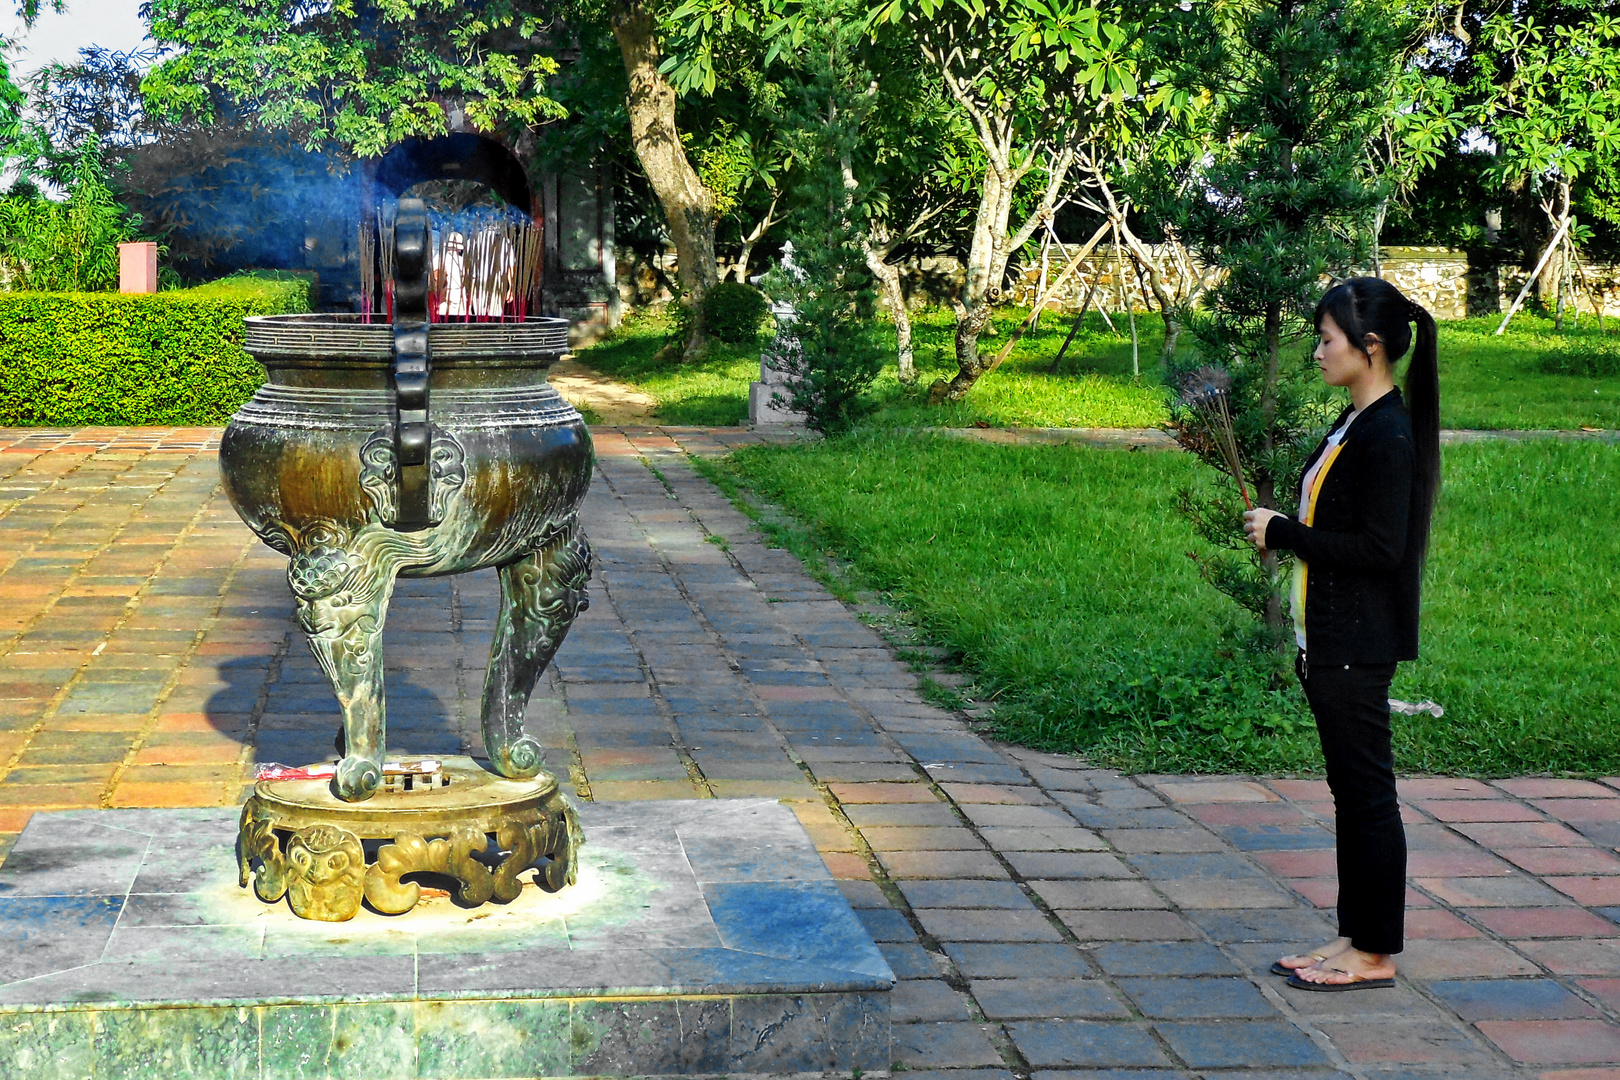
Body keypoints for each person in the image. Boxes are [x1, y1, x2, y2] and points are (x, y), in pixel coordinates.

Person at [1240, 276, 1441, 992]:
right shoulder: (1356, 422)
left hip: (1358, 644)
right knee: (1351, 795)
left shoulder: (1387, 434)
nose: (1318, 352)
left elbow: (1382, 550)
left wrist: (1287, 532)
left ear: (1372, 347)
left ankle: (1375, 951)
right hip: (1330, 641)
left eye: (1327, 340)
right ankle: (1355, 937)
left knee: (1365, 796)